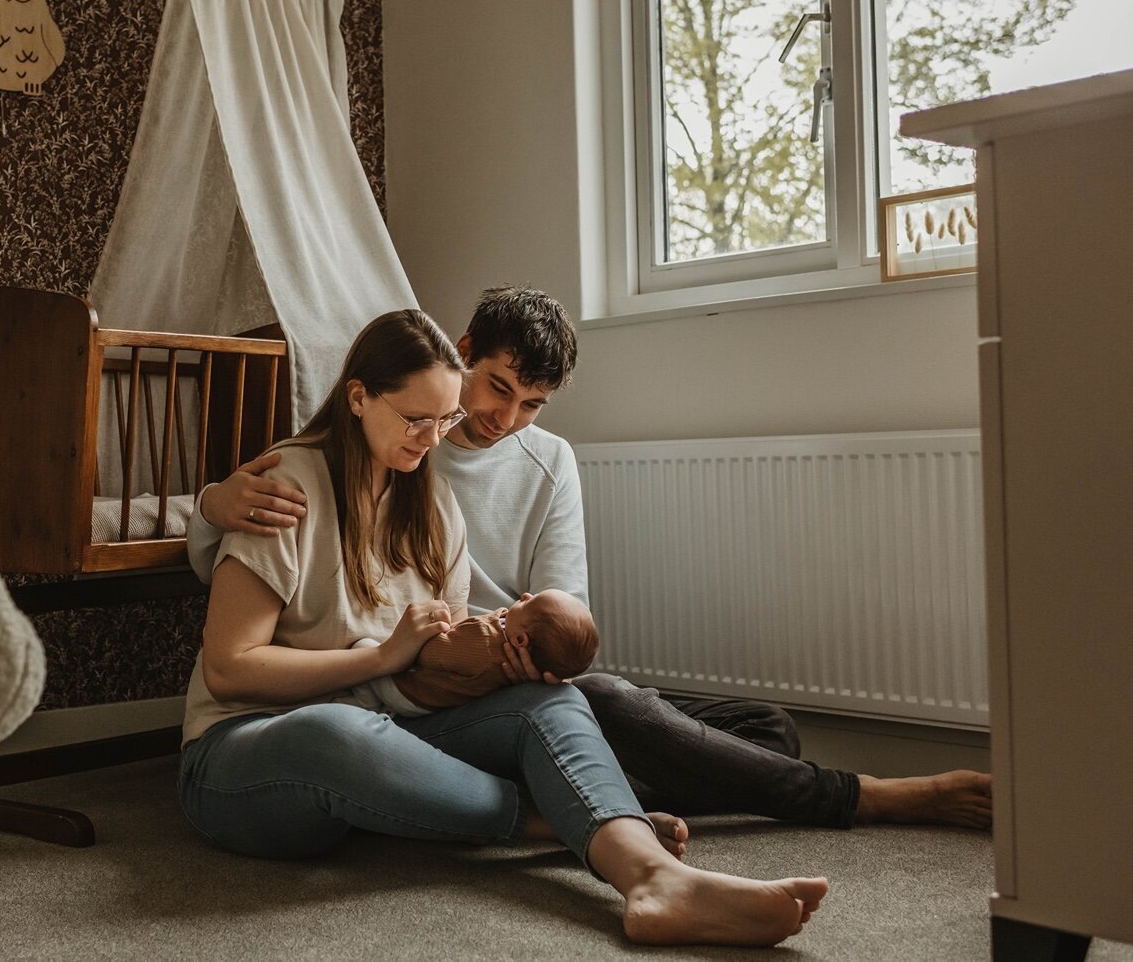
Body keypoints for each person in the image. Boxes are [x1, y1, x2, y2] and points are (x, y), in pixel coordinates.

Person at [190, 287, 993, 830]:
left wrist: (515, 640)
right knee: (614, 709)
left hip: (505, 655)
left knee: (764, 727)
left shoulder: (515, 466)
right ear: (463, 354)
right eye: (497, 387)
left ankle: (599, 788)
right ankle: (851, 796)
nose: (504, 417)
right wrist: (210, 505)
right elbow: (272, 547)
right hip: (423, 675)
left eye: (530, 403)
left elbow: (562, 606)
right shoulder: (385, 444)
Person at [179, 307, 827, 948]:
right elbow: (230, 667)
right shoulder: (286, 487)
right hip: (247, 743)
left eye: (444, 420)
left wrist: (483, 659)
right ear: (357, 397)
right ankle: (552, 822)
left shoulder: (430, 502)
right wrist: (382, 656)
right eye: (415, 420)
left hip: (386, 723)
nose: (432, 440)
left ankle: (654, 875)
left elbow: (433, 658)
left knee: (553, 700)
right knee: (337, 732)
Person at [351, 589, 597, 716]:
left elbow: (432, 656)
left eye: (529, 602)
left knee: (363, 647)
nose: (525, 594)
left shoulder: (482, 643)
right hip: (444, 702)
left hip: (410, 695)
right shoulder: (508, 643)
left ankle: (367, 706)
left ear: (520, 640)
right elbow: (502, 622)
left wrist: (423, 635)